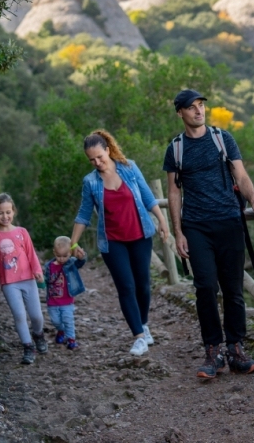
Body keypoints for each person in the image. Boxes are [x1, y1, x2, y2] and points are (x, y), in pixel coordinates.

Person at [163, 89, 254, 379]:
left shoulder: (222, 138)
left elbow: (241, 175)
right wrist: (178, 232)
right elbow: (174, 193)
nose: (199, 111)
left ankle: (236, 349)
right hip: (197, 227)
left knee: (233, 290)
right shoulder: (175, 149)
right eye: (192, 107)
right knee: (205, 288)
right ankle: (213, 351)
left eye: (201, 105)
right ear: (180, 113)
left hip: (229, 222)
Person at [70, 129, 170, 357]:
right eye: (91, 160)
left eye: (100, 157)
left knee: (143, 285)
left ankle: (143, 324)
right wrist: (73, 244)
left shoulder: (129, 167)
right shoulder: (90, 182)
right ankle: (139, 337)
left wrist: (162, 221)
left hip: (140, 236)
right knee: (126, 287)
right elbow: (84, 215)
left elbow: (147, 197)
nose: (96, 162)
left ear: (107, 150)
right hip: (113, 242)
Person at [0, 193, 47, 365]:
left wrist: (37, 270)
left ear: (13, 212)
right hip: (9, 283)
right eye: (0, 213)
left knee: (37, 316)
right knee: (19, 315)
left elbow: (30, 253)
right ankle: (28, 348)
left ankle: (38, 335)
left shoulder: (22, 232)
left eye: (8, 212)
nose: (4, 216)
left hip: (28, 279)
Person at [43, 236, 87, 350]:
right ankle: (61, 331)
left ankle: (71, 339)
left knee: (68, 320)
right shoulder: (49, 266)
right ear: (54, 252)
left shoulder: (71, 263)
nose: (62, 259)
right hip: (53, 301)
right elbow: (45, 280)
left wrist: (81, 257)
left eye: (65, 256)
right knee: (55, 321)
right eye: (58, 256)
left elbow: (80, 263)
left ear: (71, 253)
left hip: (67, 301)